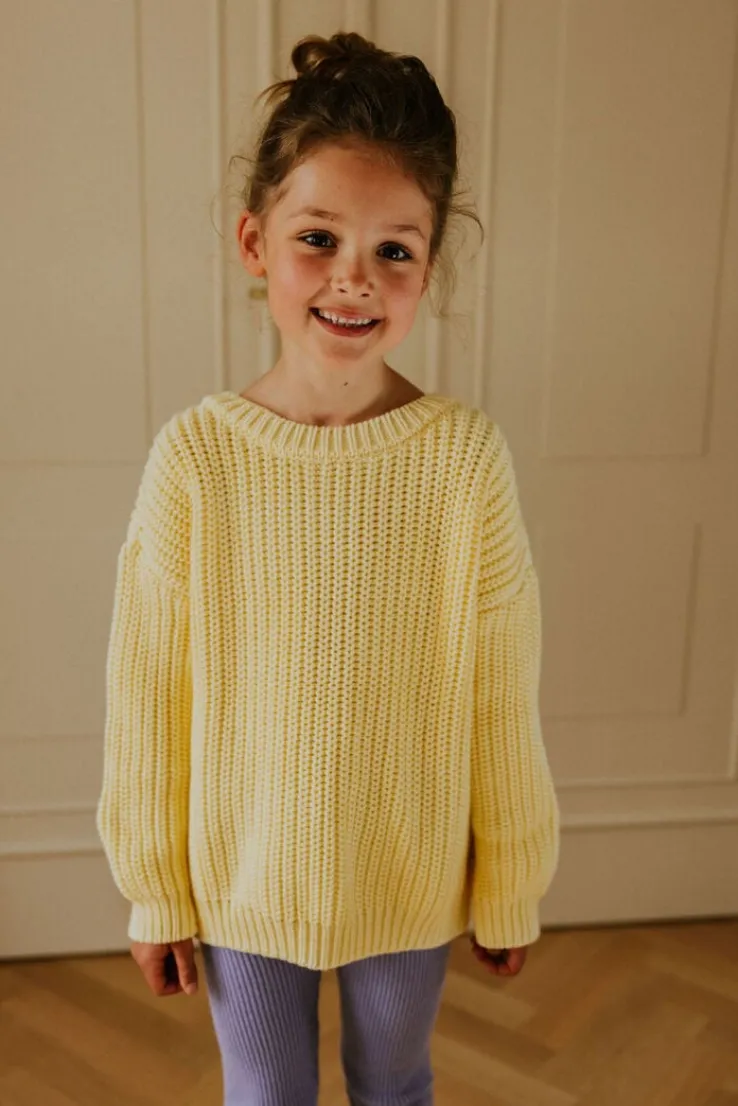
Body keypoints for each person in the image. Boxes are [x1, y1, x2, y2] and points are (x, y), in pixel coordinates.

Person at [96, 29, 560, 1106]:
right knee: (266, 1095)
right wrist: (153, 888)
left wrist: (510, 878)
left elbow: (502, 690)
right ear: (255, 242)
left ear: (429, 267)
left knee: (394, 1085)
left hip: (408, 876)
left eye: (395, 250)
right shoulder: (196, 459)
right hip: (245, 880)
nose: (355, 277)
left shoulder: (464, 461)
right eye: (319, 238)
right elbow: (146, 695)